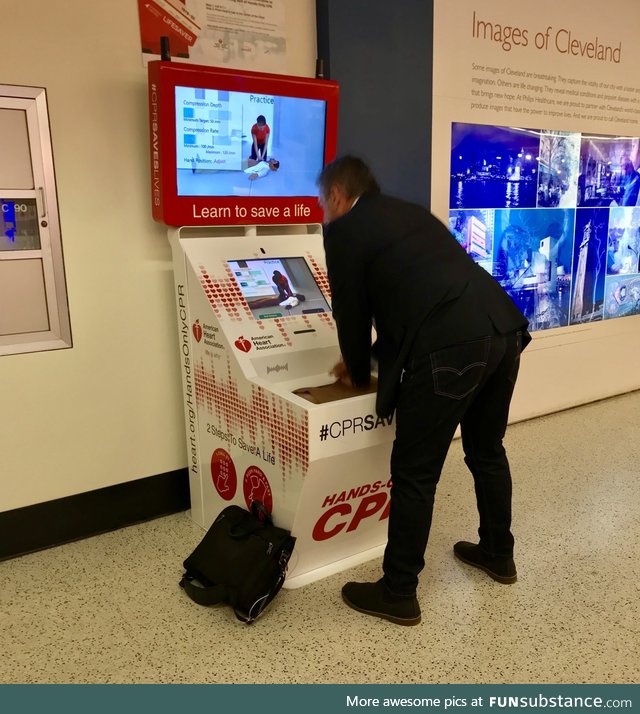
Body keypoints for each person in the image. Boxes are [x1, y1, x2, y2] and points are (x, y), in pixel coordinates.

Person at [317, 156, 531, 626]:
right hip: (503, 328)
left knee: (414, 472)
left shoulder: (345, 231)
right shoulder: (408, 213)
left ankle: (398, 591)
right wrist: (372, 359)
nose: (324, 210)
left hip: (453, 344)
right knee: (487, 449)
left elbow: (350, 313)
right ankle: (498, 553)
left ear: (336, 195)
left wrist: (355, 371)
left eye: (323, 201)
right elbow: (415, 298)